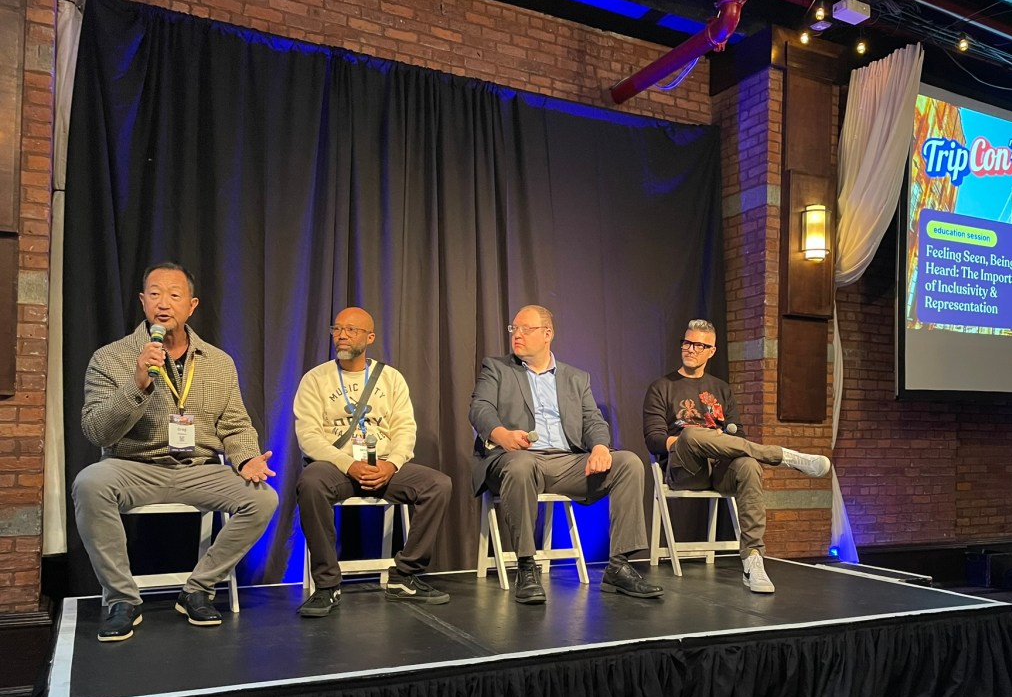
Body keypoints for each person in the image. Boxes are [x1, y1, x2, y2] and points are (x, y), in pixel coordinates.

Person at [73, 262, 278, 642]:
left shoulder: (218, 362)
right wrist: (136, 384)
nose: (163, 304)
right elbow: (97, 430)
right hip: (132, 466)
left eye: (173, 295)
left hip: (198, 468)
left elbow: (234, 424)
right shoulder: (110, 358)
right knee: (89, 483)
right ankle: (122, 599)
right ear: (142, 301)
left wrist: (247, 457)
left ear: (191, 305)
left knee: (263, 499)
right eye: (154, 294)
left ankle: (198, 589)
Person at [469, 305, 658, 604]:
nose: (517, 334)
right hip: (516, 458)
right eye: (513, 329)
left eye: (525, 329)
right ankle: (526, 566)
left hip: (565, 461)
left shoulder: (575, 378)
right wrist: (502, 434)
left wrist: (598, 446)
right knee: (521, 465)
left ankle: (619, 565)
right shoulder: (497, 368)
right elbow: (480, 408)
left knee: (629, 463)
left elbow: (593, 420)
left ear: (547, 334)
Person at [642, 320, 831, 593]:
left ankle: (753, 559)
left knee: (749, 465)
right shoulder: (662, 387)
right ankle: (781, 456)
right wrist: (694, 439)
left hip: (720, 468)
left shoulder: (721, 389)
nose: (690, 349)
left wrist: (717, 441)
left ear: (712, 351)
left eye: (698, 345)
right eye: (687, 342)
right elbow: (654, 439)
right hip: (686, 470)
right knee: (692, 434)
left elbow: (737, 434)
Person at [293, 308, 452, 617]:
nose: (341, 335)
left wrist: (391, 465)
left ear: (369, 338)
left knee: (438, 484)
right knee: (310, 482)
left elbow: (405, 429)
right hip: (336, 468)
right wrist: (347, 463)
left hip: (382, 466)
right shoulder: (315, 379)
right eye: (337, 329)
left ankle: (404, 576)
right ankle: (327, 586)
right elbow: (308, 436)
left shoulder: (391, 378)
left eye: (351, 330)